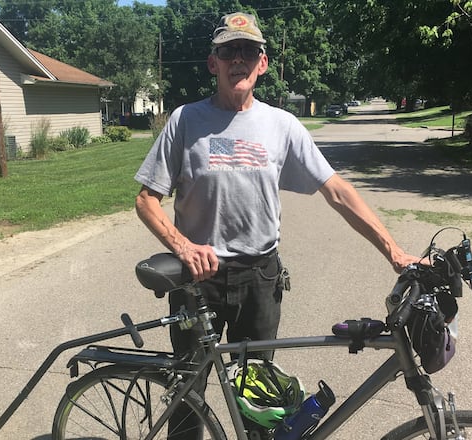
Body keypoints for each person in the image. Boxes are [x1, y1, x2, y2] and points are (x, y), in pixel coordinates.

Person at [134, 12, 422, 439]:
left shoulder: (282, 125)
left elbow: (337, 190)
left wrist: (394, 251)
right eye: (228, 51)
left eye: (248, 51)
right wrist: (183, 247)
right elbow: (146, 200)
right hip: (198, 281)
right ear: (213, 63)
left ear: (262, 63)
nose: (239, 60)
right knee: (188, 390)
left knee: (259, 397)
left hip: (259, 279)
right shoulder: (184, 121)